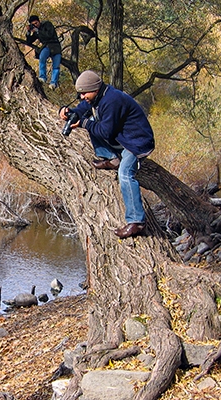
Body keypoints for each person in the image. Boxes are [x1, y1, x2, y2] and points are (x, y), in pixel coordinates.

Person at [59, 70, 155, 239]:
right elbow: (82, 109)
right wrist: (67, 111)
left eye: (84, 93)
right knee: (91, 122)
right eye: (79, 94)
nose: (82, 97)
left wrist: (83, 123)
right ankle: (112, 158)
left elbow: (106, 132)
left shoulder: (111, 100)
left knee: (125, 174)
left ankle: (137, 222)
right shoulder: (98, 96)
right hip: (124, 138)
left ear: (94, 89)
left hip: (137, 143)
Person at [25, 15, 62, 89]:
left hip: (55, 46)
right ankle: (42, 77)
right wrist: (28, 32)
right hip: (46, 47)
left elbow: (49, 35)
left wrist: (38, 31)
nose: (35, 25)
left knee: (56, 66)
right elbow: (29, 42)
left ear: (39, 21)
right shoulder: (36, 31)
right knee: (42, 58)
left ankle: (53, 83)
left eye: (36, 23)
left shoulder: (47, 24)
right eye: (33, 24)